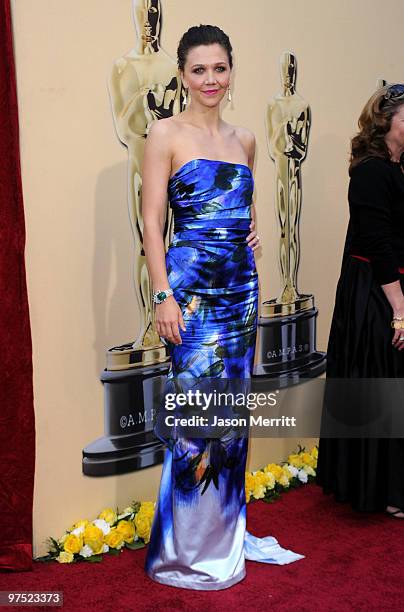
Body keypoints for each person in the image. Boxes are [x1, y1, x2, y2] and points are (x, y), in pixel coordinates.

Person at [141, 25, 304, 590]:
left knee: (230, 421)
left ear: (231, 72)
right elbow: (151, 225)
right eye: (199, 70)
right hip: (189, 292)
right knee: (193, 420)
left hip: (239, 293)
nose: (211, 79)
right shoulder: (164, 134)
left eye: (220, 68)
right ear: (183, 75)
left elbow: (242, 209)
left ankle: (223, 539)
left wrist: (252, 235)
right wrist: (162, 295)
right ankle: (184, 552)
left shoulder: (247, 139)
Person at [316, 84, 404, 517]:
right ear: (387, 121)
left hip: (394, 286)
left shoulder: (399, 167)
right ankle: (384, 490)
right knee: (382, 388)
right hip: (375, 292)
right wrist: (400, 308)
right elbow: (376, 242)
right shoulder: (371, 171)